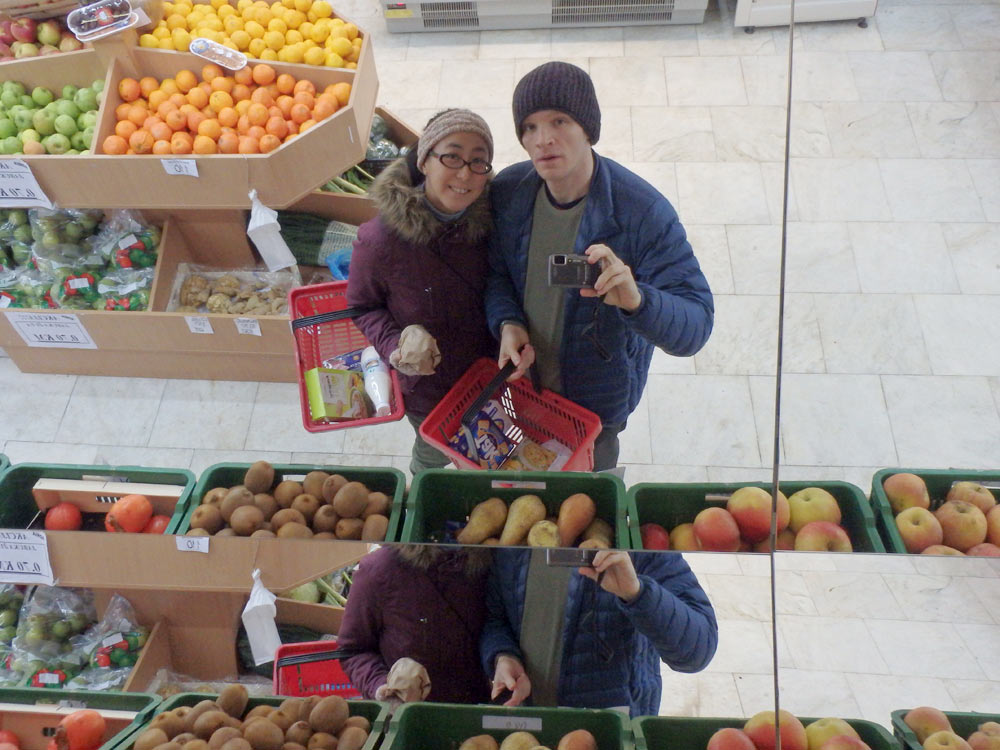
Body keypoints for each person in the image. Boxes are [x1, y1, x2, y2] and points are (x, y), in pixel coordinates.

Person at [484, 62, 715, 471]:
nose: (544, 140)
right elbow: (497, 273)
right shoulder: (510, 192)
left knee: (589, 508)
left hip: (597, 407)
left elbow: (695, 326)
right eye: (530, 127)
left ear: (589, 129)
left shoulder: (642, 212)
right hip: (522, 389)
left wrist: (638, 302)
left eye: (560, 120)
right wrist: (507, 322)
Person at [347, 109, 497, 476]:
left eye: (479, 162)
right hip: (428, 390)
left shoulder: (497, 220)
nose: (465, 174)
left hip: (490, 372)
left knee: (488, 445)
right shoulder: (380, 239)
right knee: (433, 452)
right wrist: (396, 345)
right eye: (452, 156)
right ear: (425, 160)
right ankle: (424, 480)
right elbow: (363, 307)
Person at [480, 549, 718, 716]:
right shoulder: (512, 546)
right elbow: (496, 618)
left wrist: (637, 593)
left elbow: (698, 651)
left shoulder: (638, 546)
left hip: (610, 729)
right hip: (533, 727)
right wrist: (503, 655)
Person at [337, 545, 493, 705]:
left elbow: (498, 626)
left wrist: (503, 657)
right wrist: (381, 686)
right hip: (404, 715)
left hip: (476, 711)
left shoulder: (492, 565)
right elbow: (354, 649)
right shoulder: (381, 569)